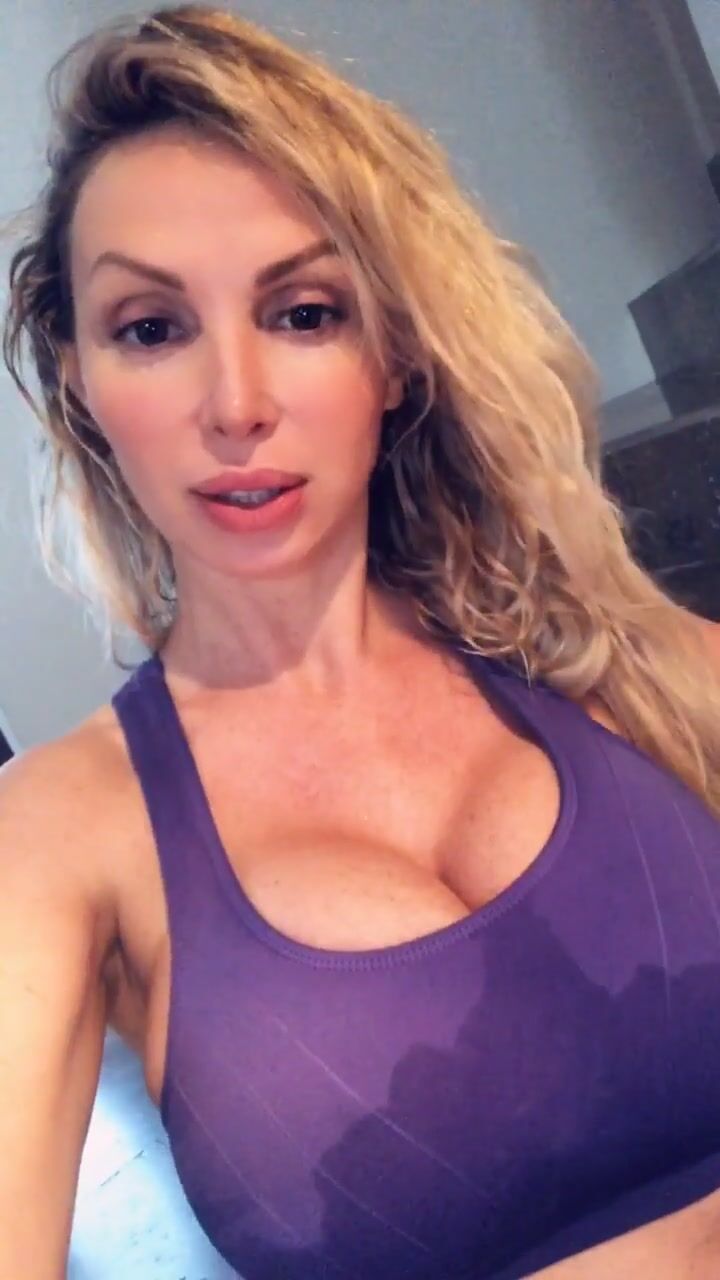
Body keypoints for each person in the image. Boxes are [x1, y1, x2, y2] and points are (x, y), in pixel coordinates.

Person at [1, 5, 720, 1278]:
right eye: (152, 328)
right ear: (80, 381)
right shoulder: (57, 833)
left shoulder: (614, 660)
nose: (237, 404)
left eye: (304, 311)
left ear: (393, 353)